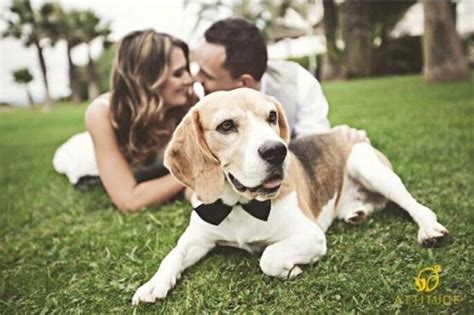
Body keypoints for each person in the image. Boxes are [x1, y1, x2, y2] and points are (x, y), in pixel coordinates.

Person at [56, 30, 194, 212]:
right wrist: (193, 172)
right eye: (178, 74)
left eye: (186, 70)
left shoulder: (187, 101)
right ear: (148, 79)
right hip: (85, 158)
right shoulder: (102, 114)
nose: (189, 79)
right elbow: (129, 201)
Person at [193, 18, 367, 141]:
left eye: (206, 75)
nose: (195, 78)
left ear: (244, 83)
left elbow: (313, 145)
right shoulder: (197, 95)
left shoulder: (299, 83)